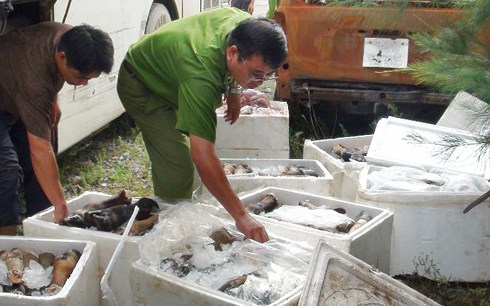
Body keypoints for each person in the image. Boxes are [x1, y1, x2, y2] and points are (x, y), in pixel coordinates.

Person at [117, 7, 287, 242]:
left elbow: (229, 62)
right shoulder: (200, 76)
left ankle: (177, 216)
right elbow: (202, 153)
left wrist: (234, 89)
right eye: (256, 74)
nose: (258, 83)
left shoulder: (244, 26)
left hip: (172, 72)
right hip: (142, 83)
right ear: (233, 53)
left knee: (187, 162)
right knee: (179, 164)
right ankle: (170, 233)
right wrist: (241, 216)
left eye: (268, 75)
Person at [0, 22, 114, 235]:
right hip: (10, 94)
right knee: (5, 173)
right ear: (61, 58)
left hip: (12, 91)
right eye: (81, 77)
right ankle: (5, 248)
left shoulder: (69, 37)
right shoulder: (34, 81)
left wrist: (53, 100)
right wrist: (62, 204)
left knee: (41, 159)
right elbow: (40, 150)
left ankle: (42, 226)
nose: (84, 84)